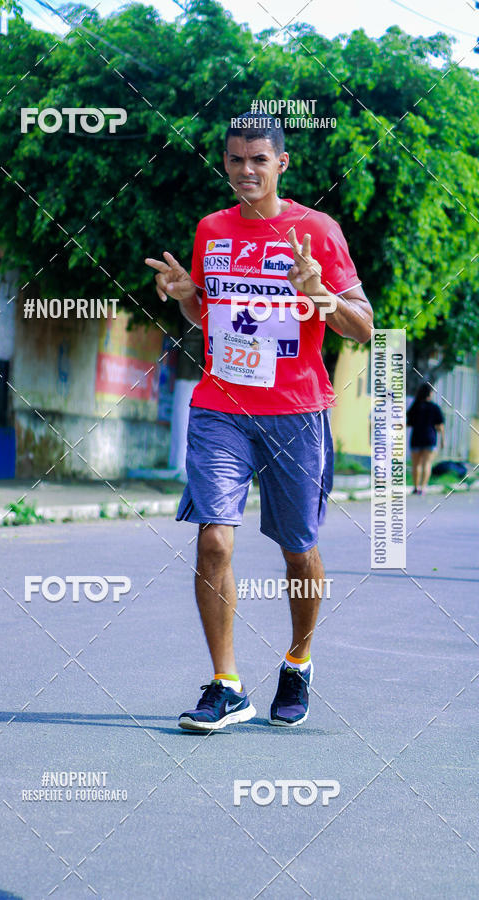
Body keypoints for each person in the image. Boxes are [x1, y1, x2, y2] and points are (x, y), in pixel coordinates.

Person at [145, 113, 373, 731]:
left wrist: (323, 297)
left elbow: (364, 327)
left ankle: (298, 661)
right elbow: (207, 321)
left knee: (299, 551)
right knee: (214, 538)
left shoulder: (316, 231)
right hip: (221, 406)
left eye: (258, 160)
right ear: (225, 163)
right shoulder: (211, 229)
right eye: (235, 160)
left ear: (282, 163)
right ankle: (227, 685)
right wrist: (187, 293)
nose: (246, 171)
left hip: (297, 413)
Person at [406, 382, 445, 494]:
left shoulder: (415, 406)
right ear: (430, 393)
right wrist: (442, 440)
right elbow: (440, 426)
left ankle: (416, 487)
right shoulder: (435, 407)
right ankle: (423, 488)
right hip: (430, 438)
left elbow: (409, 423)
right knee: (427, 463)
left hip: (416, 438)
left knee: (416, 464)